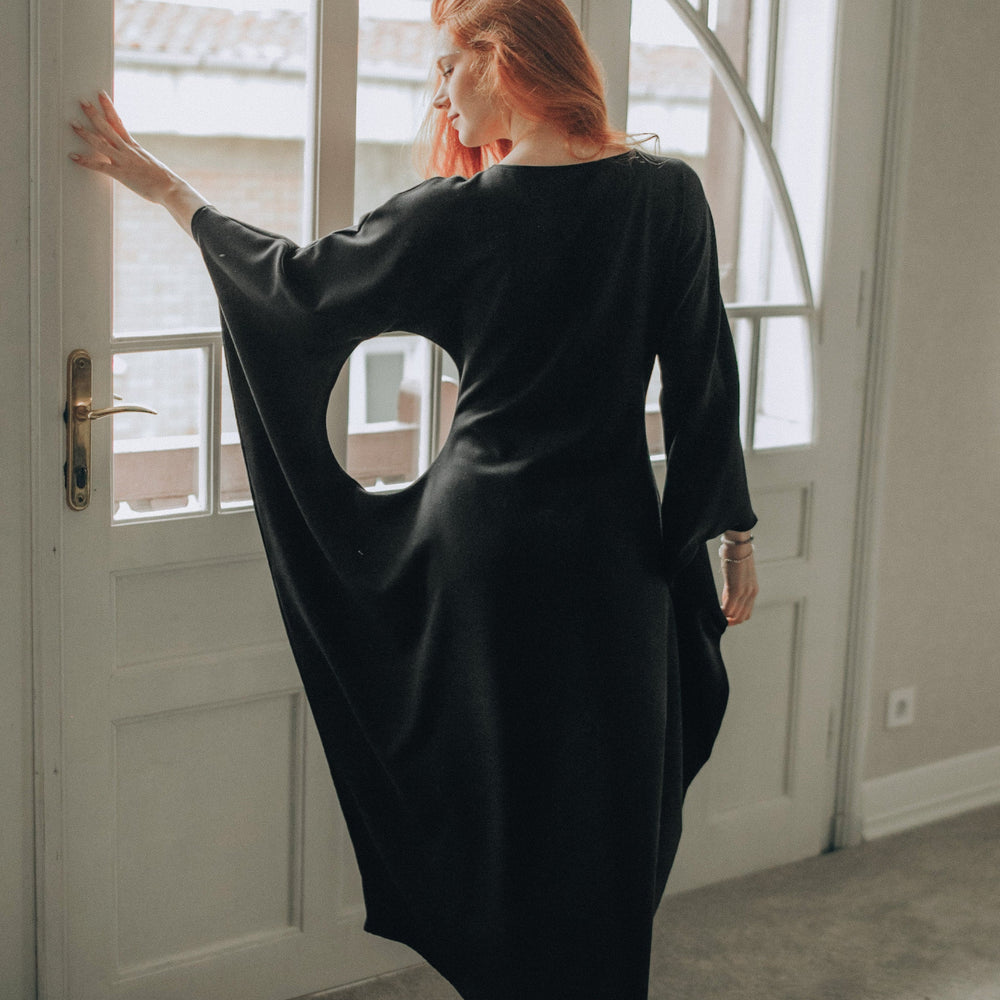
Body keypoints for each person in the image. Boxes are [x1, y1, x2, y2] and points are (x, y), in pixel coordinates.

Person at [71, 0, 757, 996]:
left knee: (497, 803)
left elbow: (295, 291)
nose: (437, 90)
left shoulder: (458, 213)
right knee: (603, 810)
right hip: (612, 552)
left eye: (447, 66)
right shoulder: (666, 197)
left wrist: (169, 191)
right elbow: (704, 376)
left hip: (484, 546)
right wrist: (729, 530)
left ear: (505, 57)